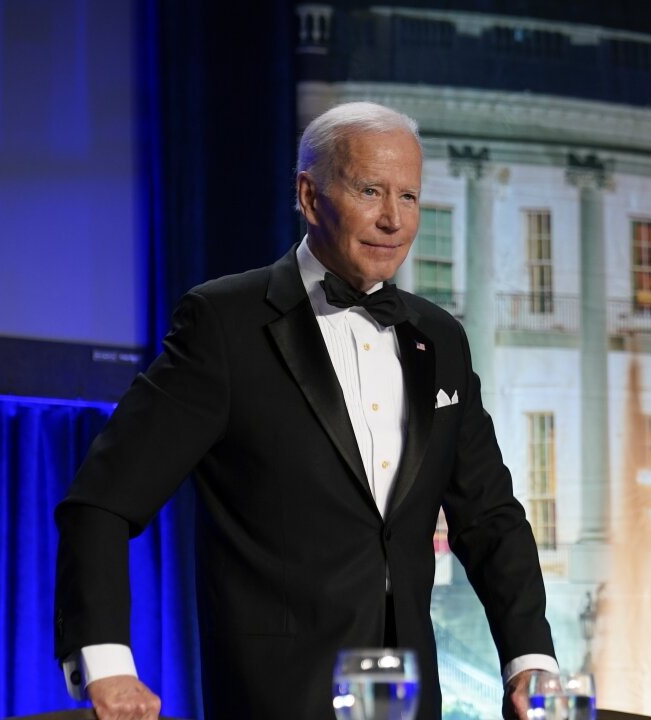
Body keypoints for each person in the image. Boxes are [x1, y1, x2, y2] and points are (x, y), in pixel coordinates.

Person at [54, 101, 558, 719]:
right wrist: (107, 666)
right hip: (277, 699)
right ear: (310, 197)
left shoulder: (442, 340)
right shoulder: (225, 324)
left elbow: (490, 518)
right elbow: (102, 500)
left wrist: (532, 662)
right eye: (371, 190)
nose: (393, 219)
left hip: (409, 706)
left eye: (409, 195)